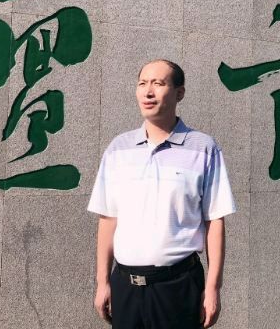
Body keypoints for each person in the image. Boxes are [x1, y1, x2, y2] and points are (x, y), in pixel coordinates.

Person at [89, 59, 237, 328]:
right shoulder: (118, 149)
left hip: (178, 287)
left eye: (158, 83)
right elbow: (108, 220)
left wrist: (213, 287)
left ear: (179, 93)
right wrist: (102, 282)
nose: (148, 92)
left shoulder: (203, 148)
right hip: (125, 286)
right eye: (142, 83)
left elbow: (214, 220)